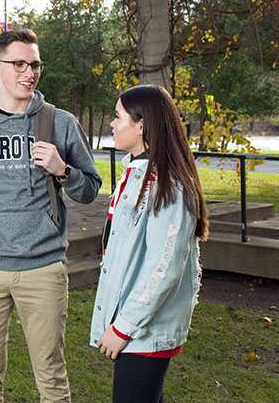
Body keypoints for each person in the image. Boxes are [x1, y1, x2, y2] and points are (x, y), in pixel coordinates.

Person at [0, 28, 102, 403]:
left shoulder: (60, 122)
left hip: (43, 267)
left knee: (51, 378)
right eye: (18, 63)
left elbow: (90, 190)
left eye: (34, 64)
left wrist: (62, 169)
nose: (28, 72)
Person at [90, 84, 209, 402]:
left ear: (141, 125)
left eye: (118, 117)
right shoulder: (137, 171)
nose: (112, 124)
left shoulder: (168, 185)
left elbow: (164, 264)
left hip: (145, 331)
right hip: (135, 329)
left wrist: (123, 327)